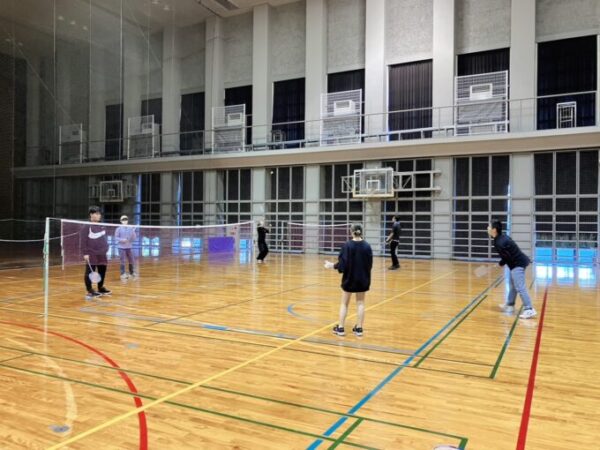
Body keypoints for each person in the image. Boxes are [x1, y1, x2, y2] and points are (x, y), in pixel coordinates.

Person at [325, 224, 373, 337]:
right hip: (362, 279)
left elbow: (343, 264)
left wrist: (332, 266)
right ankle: (359, 328)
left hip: (349, 278)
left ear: (351, 232)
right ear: (361, 232)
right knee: (360, 303)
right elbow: (370, 264)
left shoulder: (347, 245)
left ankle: (341, 328)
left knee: (344, 303)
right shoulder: (367, 246)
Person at [487, 219, 537, 319]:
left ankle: (529, 309)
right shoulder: (501, 237)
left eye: (489, 226)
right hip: (517, 262)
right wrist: (502, 263)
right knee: (513, 285)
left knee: (520, 287)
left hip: (517, 264)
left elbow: (508, 257)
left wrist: (501, 263)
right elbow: (508, 254)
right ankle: (510, 304)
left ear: (494, 230)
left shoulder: (499, 242)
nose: (487, 228)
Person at [82, 206, 111, 299]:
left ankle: (100, 287)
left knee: (102, 271)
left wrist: (106, 247)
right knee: (90, 272)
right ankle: (90, 290)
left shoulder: (102, 225)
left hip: (102, 254)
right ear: (91, 214)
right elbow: (83, 241)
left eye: (99, 214)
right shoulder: (86, 226)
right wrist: (85, 253)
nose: (99, 215)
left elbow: (104, 238)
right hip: (91, 253)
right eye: (97, 214)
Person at [115, 215, 137, 280]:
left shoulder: (130, 228)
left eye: (126, 219)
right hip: (121, 247)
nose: (125, 221)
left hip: (129, 247)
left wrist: (133, 231)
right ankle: (123, 274)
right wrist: (122, 240)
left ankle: (131, 272)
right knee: (123, 261)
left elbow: (133, 238)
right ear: (121, 221)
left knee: (131, 260)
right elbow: (116, 237)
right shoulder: (118, 229)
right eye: (123, 220)